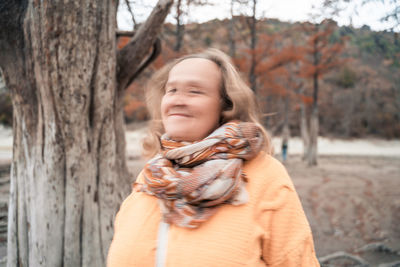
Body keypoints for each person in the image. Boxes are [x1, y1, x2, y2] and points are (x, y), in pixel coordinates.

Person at [107, 48, 319, 266]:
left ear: (226, 105)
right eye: (172, 90)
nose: (177, 100)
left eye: (195, 91)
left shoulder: (265, 175)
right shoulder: (152, 176)